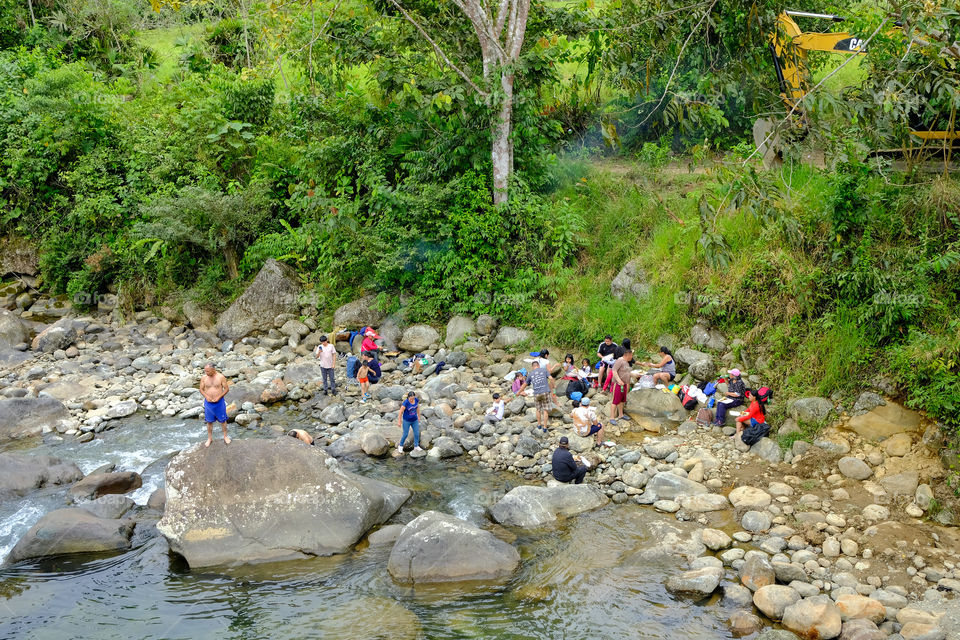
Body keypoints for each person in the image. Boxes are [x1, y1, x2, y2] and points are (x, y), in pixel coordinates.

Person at [515, 360, 558, 433]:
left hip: (537, 393)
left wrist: (518, 392)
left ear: (532, 367)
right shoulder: (544, 370)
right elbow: (550, 378)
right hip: (545, 392)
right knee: (545, 410)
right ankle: (544, 427)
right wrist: (554, 386)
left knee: (538, 409)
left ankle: (539, 424)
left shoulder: (531, 374)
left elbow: (524, 385)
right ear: (538, 366)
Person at [199, 363, 231, 447]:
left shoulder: (220, 377)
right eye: (205, 371)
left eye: (208, 371)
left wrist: (219, 397)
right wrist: (206, 396)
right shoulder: (204, 378)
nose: (206, 373)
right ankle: (209, 438)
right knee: (209, 421)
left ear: (213, 369)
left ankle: (225, 436)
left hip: (219, 402)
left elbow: (226, 389)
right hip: (208, 402)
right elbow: (201, 389)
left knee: (223, 420)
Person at [609, 348, 633, 426]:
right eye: (631, 355)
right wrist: (619, 380)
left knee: (622, 400)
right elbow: (614, 370)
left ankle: (621, 415)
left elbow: (627, 372)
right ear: (627, 355)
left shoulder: (626, 362)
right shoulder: (620, 360)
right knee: (615, 401)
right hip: (618, 384)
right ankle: (612, 417)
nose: (632, 357)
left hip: (624, 384)